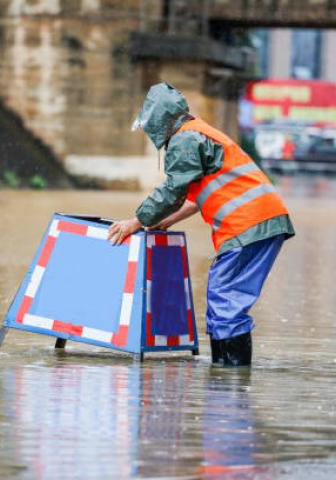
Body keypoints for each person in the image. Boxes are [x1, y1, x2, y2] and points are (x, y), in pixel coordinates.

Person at [108, 83, 295, 366]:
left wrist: (136, 221)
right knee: (224, 297)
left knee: (225, 298)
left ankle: (231, 382)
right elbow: (195, 200)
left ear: (159, 120)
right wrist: (163, 222)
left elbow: (172, 190)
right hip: (261, 222)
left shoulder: (185, 139)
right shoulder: (200, 133)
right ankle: (224, 376)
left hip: (248, 225)